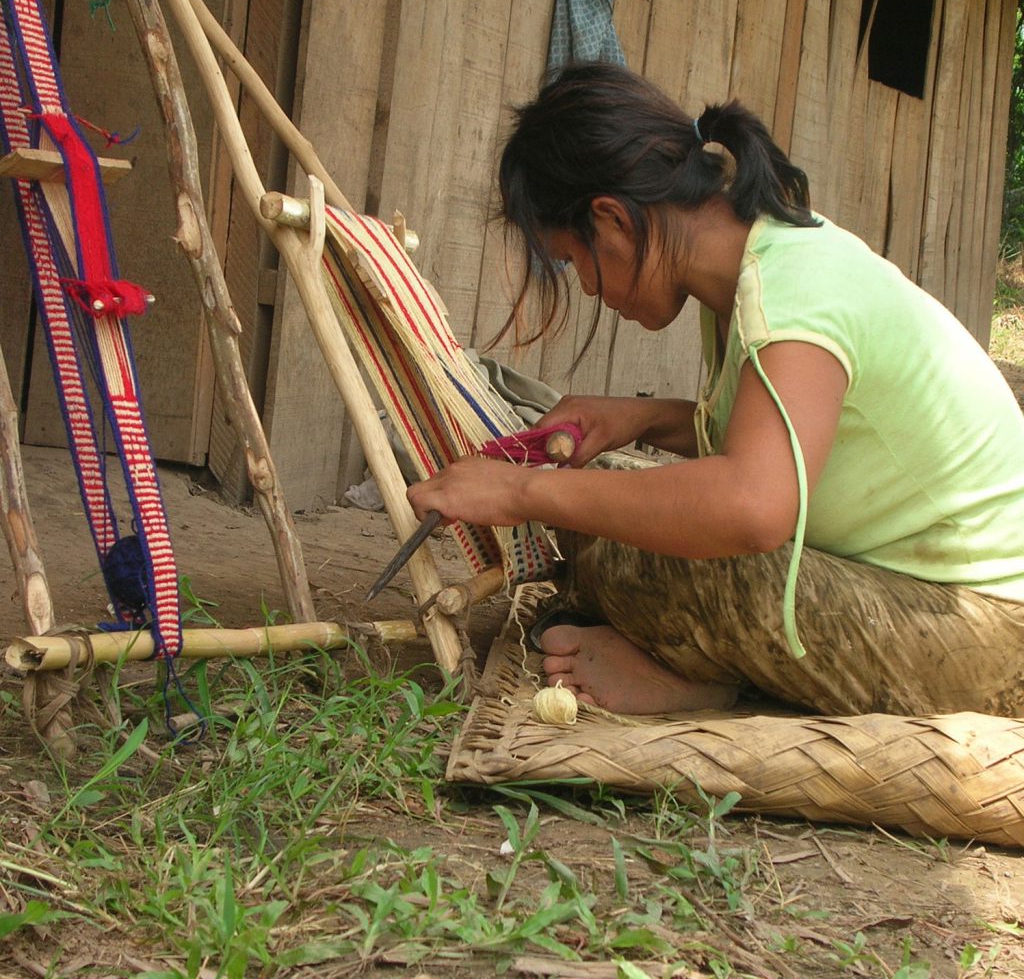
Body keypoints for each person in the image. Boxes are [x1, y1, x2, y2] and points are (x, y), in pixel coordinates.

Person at [407, 62, 1024, 719]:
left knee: (637, 549)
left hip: (988, 637)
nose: (587, 286)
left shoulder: (793, 292)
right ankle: (692, 662)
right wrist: (636, 420)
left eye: (574, 260)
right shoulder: (761, 261)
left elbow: (753, 508)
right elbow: (783, 432)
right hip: (924, 595)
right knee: (605, 497)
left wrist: (516, 489)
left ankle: (700, 684)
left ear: (612, 218)